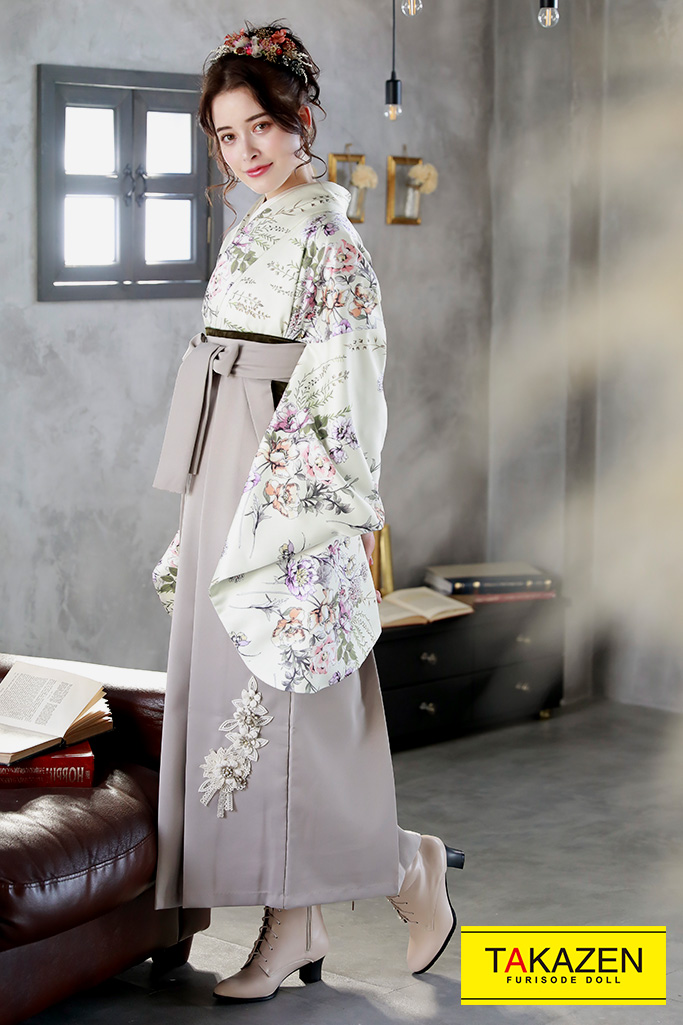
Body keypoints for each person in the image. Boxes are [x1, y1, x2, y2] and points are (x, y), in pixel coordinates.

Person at [150, 21, 464, 1005]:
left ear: (300, 122)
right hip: (227, 469)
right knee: (241, 702)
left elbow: (349, 381)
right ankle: (315, 912)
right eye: (225, 135)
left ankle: (389, 872)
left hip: (285, 485)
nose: (244, 150)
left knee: (291, 709)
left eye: (260, 126)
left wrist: (300, 507)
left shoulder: (330, 237)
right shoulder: (253, 228)